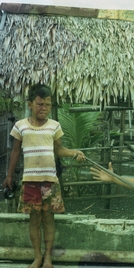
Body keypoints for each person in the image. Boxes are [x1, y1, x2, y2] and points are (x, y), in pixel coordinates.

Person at [2, 84, 85, 268]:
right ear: (30, 104)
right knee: (34, 220)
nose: (44, 108)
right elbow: (15, 152)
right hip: (30, 181)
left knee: (48, 218)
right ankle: (37, 257)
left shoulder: (54, 126)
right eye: (40, 104)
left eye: (47, 104)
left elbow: (59, 150)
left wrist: (74, 152)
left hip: (50, 182)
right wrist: (9, 176)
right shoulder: (20, 126)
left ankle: (48, 257)